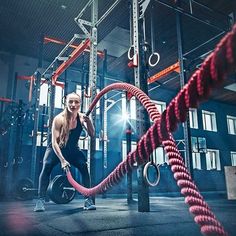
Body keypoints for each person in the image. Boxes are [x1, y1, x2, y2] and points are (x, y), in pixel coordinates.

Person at [34, 92, 96, 212]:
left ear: (80, 104)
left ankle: (88, 200)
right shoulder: (59, 119)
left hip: (72, 149)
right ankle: (40, 200)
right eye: (70, 102)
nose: (73, 104)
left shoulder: (82, 118)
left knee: (84, 166)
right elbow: (54, 142)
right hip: (56, 148)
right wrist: (62, 160)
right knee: (47, 165)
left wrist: (89, 122)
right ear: (66, 102)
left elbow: (92, 134)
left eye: (76, 102)